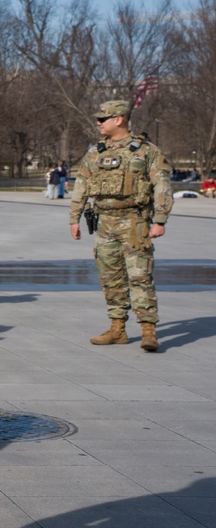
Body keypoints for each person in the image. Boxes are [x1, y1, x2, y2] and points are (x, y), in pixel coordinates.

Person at [69, 100, 173, 352]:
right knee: (110, 278)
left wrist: (160, 219)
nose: (98, 123)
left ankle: (148, 331)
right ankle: (118, 329)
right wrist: (74, 218)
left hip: (134, 223)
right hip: (104, 223)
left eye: (103, 119)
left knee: (140, 276)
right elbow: (81, 184)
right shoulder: (96, 152)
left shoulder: (147, 151)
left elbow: (162, 185)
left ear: (119, 119)